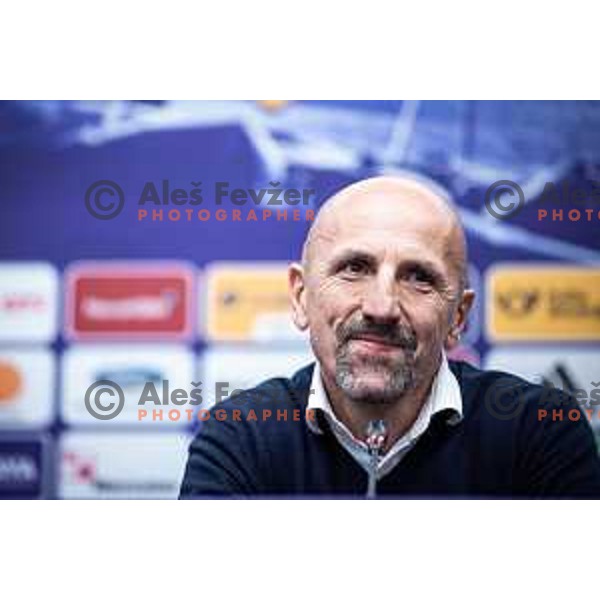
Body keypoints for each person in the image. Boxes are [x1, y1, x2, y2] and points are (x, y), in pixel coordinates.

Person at [180, 175, 600, 498]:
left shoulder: (539, 432)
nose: (381, 307)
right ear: (300, 296)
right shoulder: (241, 435)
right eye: (354, 268)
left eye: (419, 278)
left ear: (458, 316)